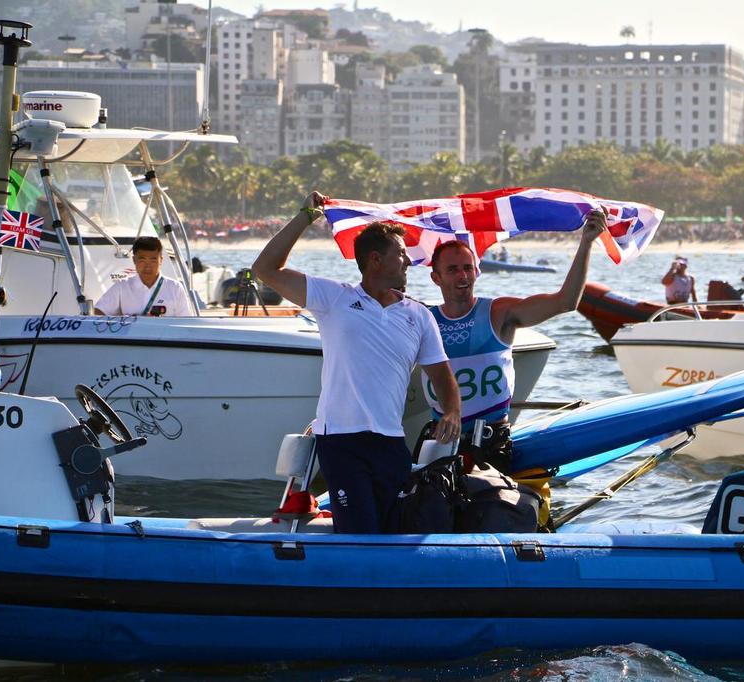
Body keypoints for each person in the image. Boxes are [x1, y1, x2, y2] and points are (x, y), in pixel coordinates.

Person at [252, 191, 461, 534]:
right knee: (360, 532)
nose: (409, 262)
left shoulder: (419, 316)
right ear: (376, 260)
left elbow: (442, 375)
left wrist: (452, 411)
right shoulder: (334, 297)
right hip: (341, 442)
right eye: (402, 255)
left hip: (391, 442)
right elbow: (264, 269)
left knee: (395, 530)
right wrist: (306, 215)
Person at [424, 209, 607, 471]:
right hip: (442, 444)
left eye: (467, 268)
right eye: (452, 270)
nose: (462, 276)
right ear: (436, 278)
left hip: (490, 444)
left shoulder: (500, 313)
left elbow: (565, 302)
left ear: (477, 272)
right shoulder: (424, 320)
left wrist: (587, 242)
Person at [94, 236, 193, 316]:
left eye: (153, 260)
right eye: (142, 260)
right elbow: (98, 312)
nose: (148, 266)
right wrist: (120, 323)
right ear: (134, 260)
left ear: (161, 260)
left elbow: (185, 321)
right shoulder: (122, 286)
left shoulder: (175, 288)